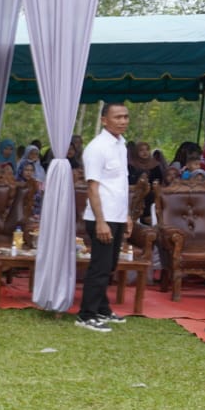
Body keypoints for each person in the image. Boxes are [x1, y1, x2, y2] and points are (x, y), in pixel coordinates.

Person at [76, 103, 132, 333]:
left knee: (109, 265)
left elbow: (119, 183)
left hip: (117, 215)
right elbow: (93, 187)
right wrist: (101, 221)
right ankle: (86, 315)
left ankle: (102, 308)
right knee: (99, 267)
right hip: (101, 217)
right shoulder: (96, 148)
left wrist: (126, 214)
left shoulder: (121, 145)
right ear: (104, 120)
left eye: (126, 117)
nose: (123, 121)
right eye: (117, 117)